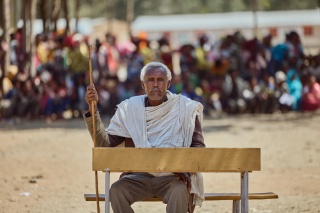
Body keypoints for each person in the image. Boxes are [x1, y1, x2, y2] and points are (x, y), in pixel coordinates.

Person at [84, 62, 205, 213]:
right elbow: (104, 145)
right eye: (150, 80)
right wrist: (92, 109)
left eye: (160, 80)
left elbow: (199, 149)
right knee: (116, 190)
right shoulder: (129, 109)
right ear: (143, 84)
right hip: (137, 176)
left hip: (172, 178)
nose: (155, 84)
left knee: (180, 191)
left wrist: (184, 168)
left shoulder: (186, 109)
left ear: (168, 83)